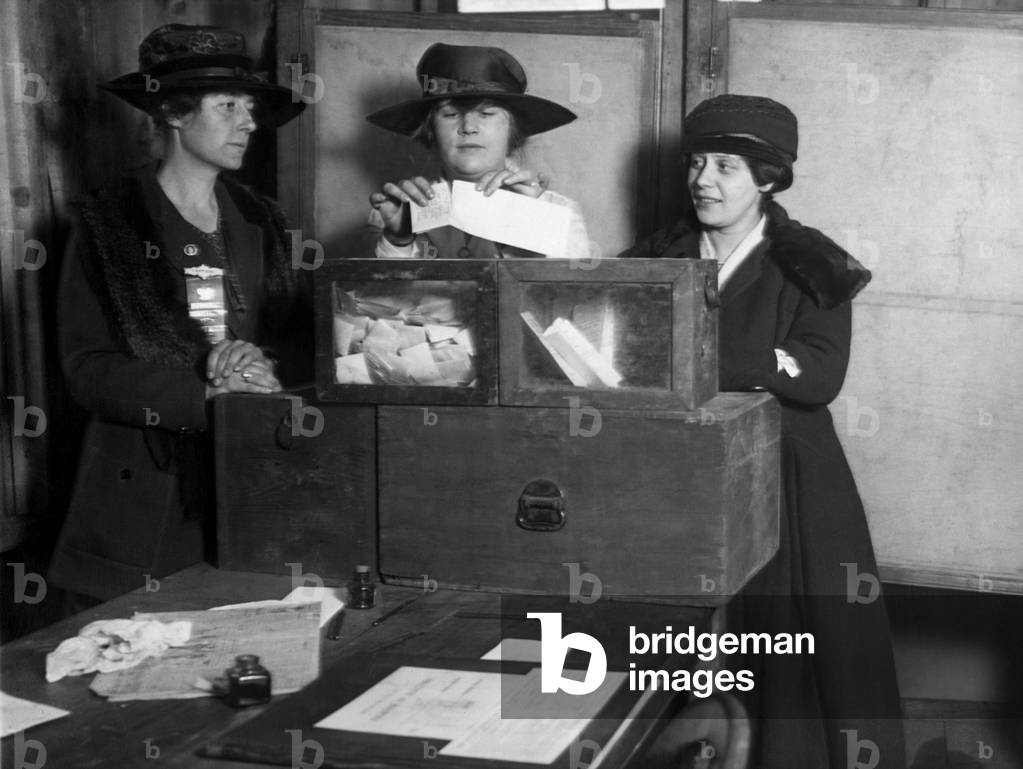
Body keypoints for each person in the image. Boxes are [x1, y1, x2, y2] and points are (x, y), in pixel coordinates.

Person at [620, 94, 905, 768]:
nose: (701, 180)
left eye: (725, 166)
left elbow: (816, 376)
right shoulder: (659, 254)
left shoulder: (810, 261)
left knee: (783, 640)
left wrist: (696, 357)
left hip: (787, 479)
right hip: (677, 469)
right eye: (696, 162)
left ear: (768, 179)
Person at [48, 24, 310, 603]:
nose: (248, 121)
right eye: (228, 106)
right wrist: (205, 395)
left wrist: (260, 365)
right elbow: (86, 369)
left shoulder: (263, 219)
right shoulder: (107, 223)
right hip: (149, 495)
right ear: (172, 111)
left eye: (250, 107)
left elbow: (298, 339)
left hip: (257, 478)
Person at [364, 43, 591, 260]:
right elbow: (370, 299)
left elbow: (572, 295)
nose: (468, 127)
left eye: (487, 113)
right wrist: (398, 240)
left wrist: (525, 223)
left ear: (513, 131)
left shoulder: (557, 212)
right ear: (430, 131)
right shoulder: (394, 213)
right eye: (451, 114)